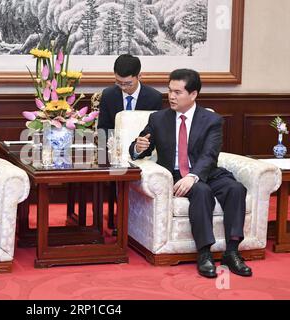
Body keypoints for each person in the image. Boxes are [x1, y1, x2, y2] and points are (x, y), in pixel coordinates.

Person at [129, 69, 252, 278]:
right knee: (201, 192)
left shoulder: (211, 120)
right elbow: (140, 147)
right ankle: (204, 253)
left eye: (178, 92)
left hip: (206, 172)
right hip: (175, 174)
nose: (171, 96)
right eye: (169, 91)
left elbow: (210, 154)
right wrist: (138, 147)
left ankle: (232, 252)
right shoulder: (158, 118)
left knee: (236, 189)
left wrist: (193, 176)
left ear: (193, 94)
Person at [97, 53, 163, 139]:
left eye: (128, 83)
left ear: (139, 76)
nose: (123, 87)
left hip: (143, 148)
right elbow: (103, 128)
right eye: (119, 82)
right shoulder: (108, 95)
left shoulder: (154, 97)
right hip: (114, 147)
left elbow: (155, 130)